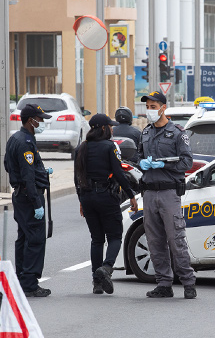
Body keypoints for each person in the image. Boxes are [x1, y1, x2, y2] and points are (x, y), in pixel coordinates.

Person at [137, 91, 197, 299]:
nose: (150, 111)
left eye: (153, 107)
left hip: (169, 193)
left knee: (176, 239)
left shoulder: (177, 133)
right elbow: (139, 158)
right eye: (148, 107)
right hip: (149, 193)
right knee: (155, 241)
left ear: (163, 108)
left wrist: (164, 164)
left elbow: (187, 162)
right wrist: (142, 164)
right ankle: (164, 283)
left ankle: (188, 282)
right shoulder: (145, 133)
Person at [74, 113, 139, 295]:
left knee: (96, 239)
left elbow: (76, 178)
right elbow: (118, 173)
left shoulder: (81, 148)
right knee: (115, 236)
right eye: (110, 126)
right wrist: (131, 195)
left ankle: (97, 283)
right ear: (103, 128)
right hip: (106, 196)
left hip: (87, 197)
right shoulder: (110, 147)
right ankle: (106, 268)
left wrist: (81, 199)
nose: (112, 129)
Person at [4, 104, 53, 298]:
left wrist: (42, 172)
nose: (41, 122)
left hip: (21, 195)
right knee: (35, 239)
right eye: (39, 119)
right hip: (28, 196)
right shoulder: (25, 142)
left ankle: (22, 279)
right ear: (30, 120)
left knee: (24, 238)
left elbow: (10, 165)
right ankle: (30, 283)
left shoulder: (16, 138)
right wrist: (36, 203)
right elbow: (27, 175)